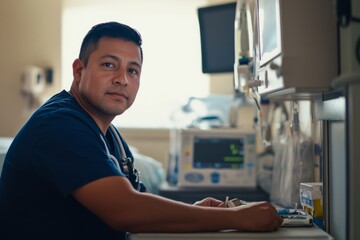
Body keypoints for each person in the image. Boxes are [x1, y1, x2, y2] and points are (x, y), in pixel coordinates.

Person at [0, 21, 283, 240]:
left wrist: (197, 210)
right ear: (79, 70)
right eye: (109, 65)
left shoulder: (108, 135)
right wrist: (235, 219)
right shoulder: (59, 126)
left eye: (132, 70)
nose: (122, 79)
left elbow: (140, 204)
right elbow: (126, 210)